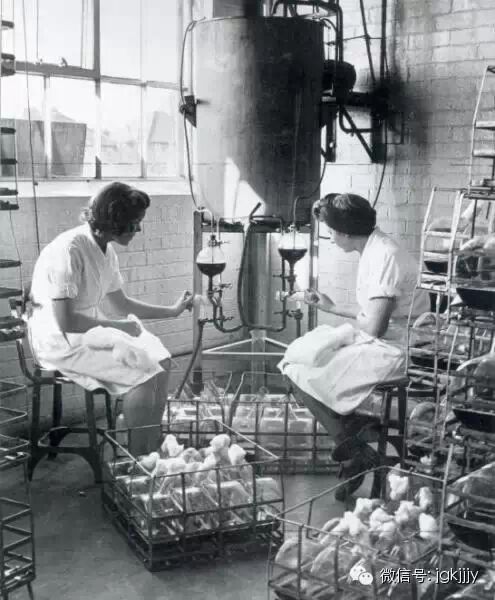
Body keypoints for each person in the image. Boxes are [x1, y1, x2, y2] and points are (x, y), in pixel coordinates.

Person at [28, 182, 193, 456]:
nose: (139, 229)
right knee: (143, 372)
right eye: (135, 222)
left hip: (92, 328)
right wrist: (117, 327)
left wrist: (172, 310)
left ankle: (150, 446)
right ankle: (138, 459)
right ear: (114, 220)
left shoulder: (106, 249)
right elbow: (66, 322)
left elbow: (121, 305)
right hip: (60, 339)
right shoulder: (69, 250)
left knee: (161, 361)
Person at [292, 192, 428, 500]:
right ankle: (359, 442)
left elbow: (376, 326)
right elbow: (374, 316)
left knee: (300, 368)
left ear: (344, 231)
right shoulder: (375, 248)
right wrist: (331, 307)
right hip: (385, 340)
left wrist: (341, 332)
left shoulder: (385, 256)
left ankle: (357, 450)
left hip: (400, 350)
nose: (330, 237)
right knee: (298, 362)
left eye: (330, 230)